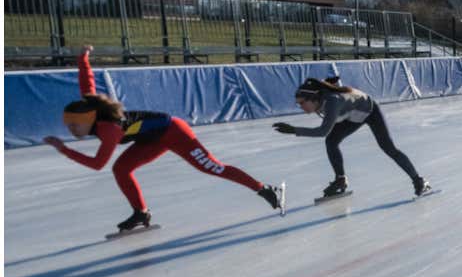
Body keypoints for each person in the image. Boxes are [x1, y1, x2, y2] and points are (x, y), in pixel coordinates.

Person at [44, 46, 285, 233]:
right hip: (151, 139)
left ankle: (264, 188)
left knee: (213, 167)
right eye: (69, 126)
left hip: (174, 132)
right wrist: (83, 59)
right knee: (121, 169)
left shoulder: (109, 130)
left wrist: (64, 150)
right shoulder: (92, 109)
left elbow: (98, 164)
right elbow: (87, 85)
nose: (72, 130)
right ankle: (141, 212)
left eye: (74, 125)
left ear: (88, 119)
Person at [273, 77, 431, 198]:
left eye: (302, 103)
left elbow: (322, 131)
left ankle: (419, 181)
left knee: (388, 148)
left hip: (369, 111)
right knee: (332, 142)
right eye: (298, 104)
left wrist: (294, 130)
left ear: (313, 98)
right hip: (351, 115)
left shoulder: (332, 102)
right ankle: (340, 180)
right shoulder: (319, 98)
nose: (300, 107)